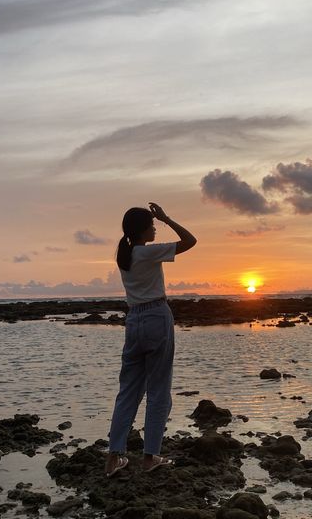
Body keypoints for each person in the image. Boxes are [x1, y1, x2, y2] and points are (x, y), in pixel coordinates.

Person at [104, 202, 197, 477]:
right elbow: (190, 241)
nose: (155, 228)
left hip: (133, 320)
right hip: (156, 316)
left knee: (128, 392)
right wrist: (167, 217)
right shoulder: (147, 253)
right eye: (152, 225)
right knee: (158, 391)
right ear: (143, 229)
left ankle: (114, 458)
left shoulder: (124, 255)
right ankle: (150, 456)